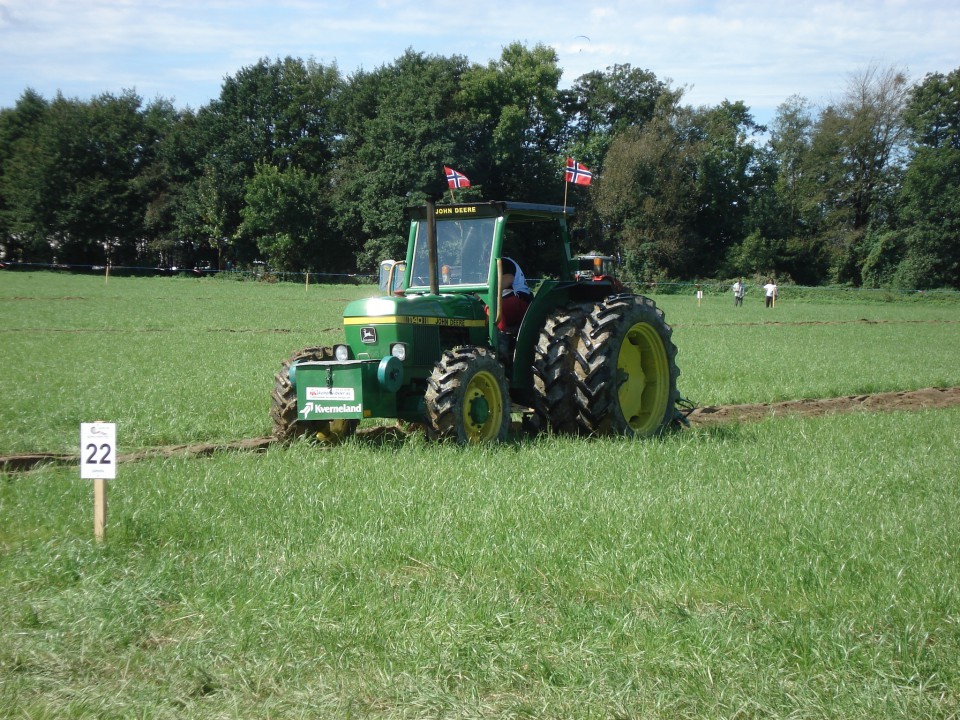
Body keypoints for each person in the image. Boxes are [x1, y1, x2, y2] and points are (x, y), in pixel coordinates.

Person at [497, 257, 532, 333]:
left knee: (491, 307)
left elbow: (508, 279)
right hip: (506, 300)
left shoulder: (502, 261)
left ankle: (498, 337)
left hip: (520, 301)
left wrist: (478, 295)